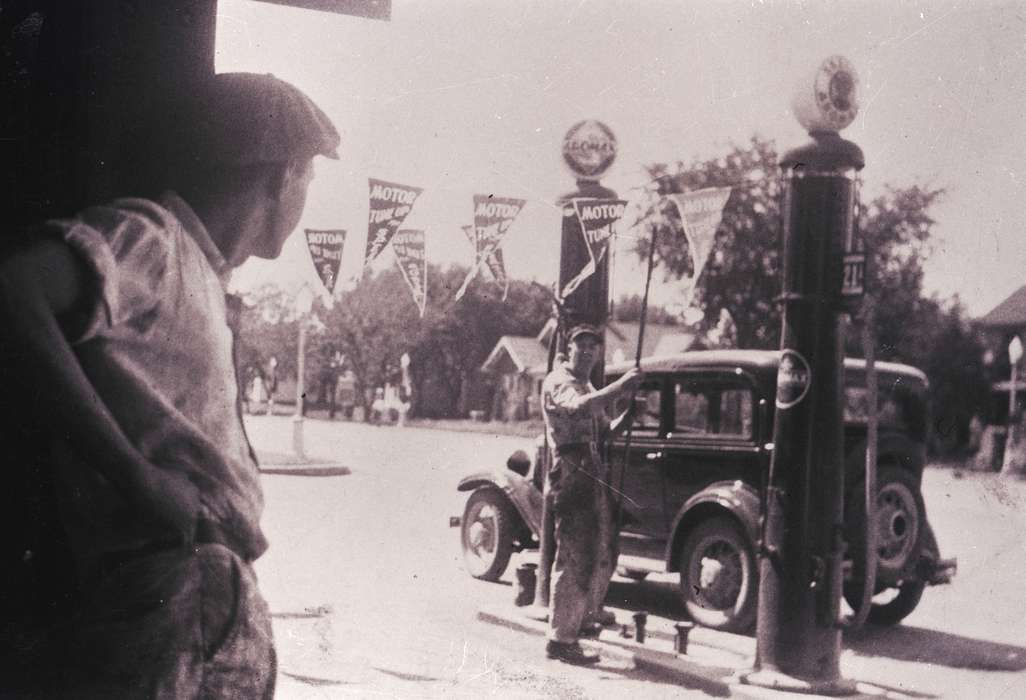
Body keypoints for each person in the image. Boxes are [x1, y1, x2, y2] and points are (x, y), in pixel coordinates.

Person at [0, 72, 339, 698]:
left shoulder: (206, 274)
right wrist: (135, 473)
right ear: (277, 177)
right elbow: (14, 290)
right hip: (169, 584)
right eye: (308, 178)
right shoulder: (155, 238)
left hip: (202, 593)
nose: (304, 195)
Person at [541, 324, 643, 665]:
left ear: (598, 353)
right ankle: (560, 639)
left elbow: (605, 431)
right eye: (580, 345)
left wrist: (629, 415)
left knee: (598, 548)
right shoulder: (558, 382)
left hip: (592, 470)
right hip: (570, 471)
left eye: (592, 347)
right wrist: (621, 386)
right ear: (569, 349)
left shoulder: (588, 384)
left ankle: (579, 621)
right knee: (574, 554)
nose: (586, 351)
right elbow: (579, 408)